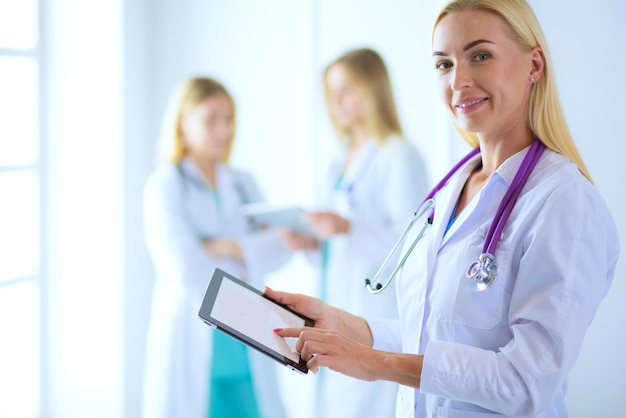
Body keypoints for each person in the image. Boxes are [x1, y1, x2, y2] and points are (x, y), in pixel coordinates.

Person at [270, 1, 620, 417]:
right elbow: (435, 334)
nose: (459, 81)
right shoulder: (449, 191)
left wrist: (375, 364)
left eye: (480, 56)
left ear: (534, 65)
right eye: (443, 64)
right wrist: (347, 327)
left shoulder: (564, 202)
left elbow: (528, 381)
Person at [280, 47, 428, 418]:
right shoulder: (340, 158)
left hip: (374, 312)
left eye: (346, 89)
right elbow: (336, 244)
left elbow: (411, 245)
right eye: (330, 93)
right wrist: (312, 242)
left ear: (372, 89)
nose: (336, 101)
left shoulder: (398, 156)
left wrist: (348, 227)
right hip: (338, 300)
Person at [141, 76, 290, 418]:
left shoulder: (242, 182)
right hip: (193, 328)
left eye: (228, 118)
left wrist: (222, 246)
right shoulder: (165, 185)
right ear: (183, 122)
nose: (222, 129)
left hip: (246, 328)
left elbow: (281, 247)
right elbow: (183, 266)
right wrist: (248, 250)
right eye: (211, 119)